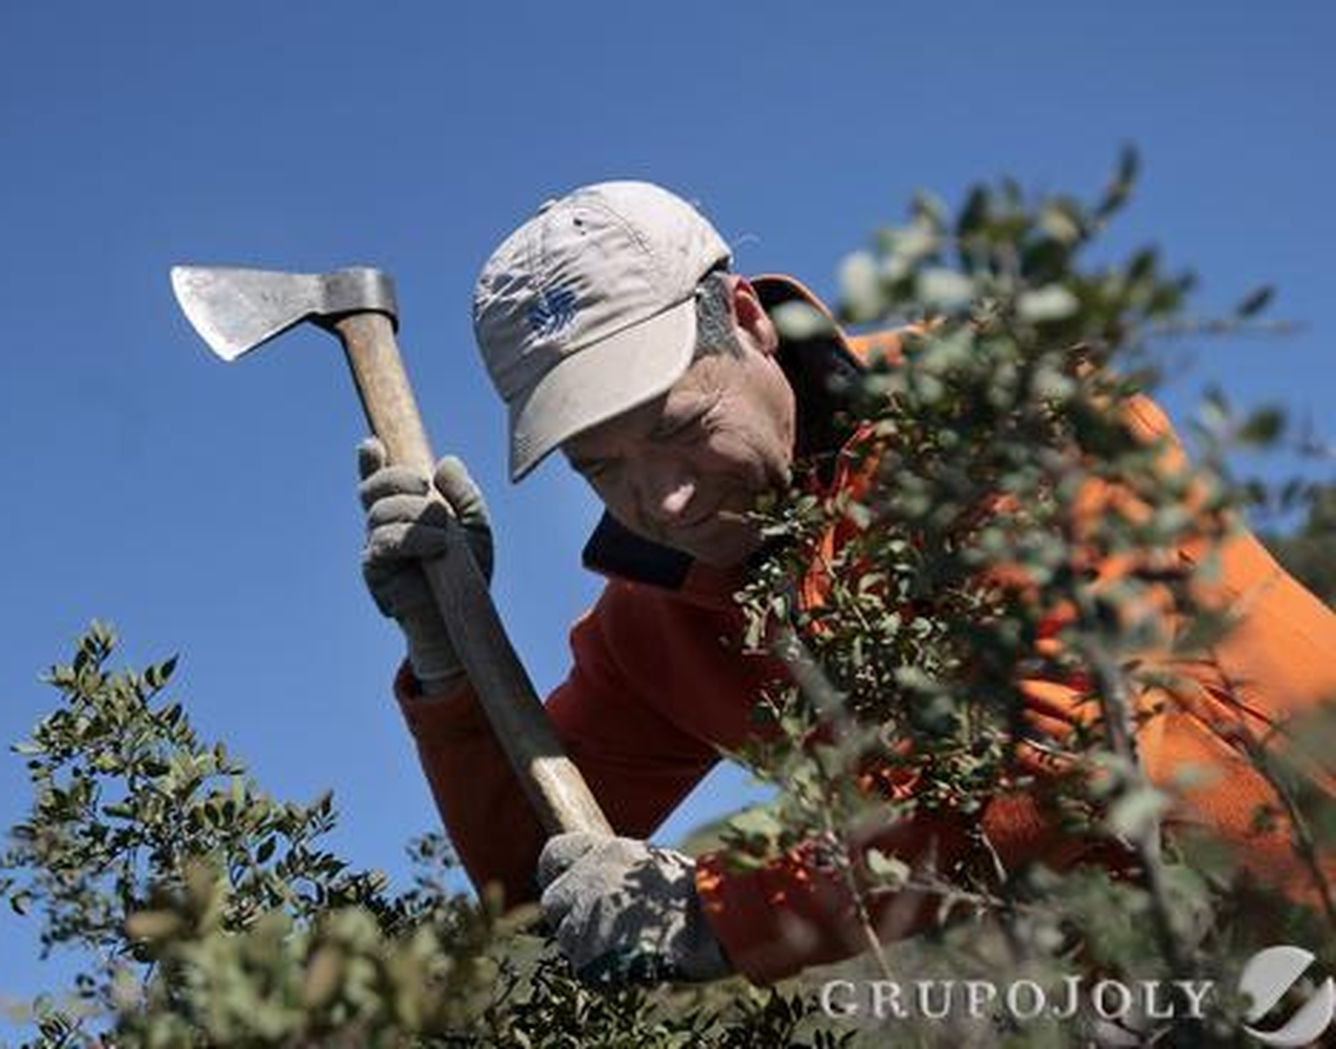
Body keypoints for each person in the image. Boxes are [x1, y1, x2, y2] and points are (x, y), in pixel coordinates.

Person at [357, 181, 1336, 987]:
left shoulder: (1003, 411)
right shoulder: (654, 624)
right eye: (598, 466)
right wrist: (448, 665)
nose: (665, 495)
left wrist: (721, 910)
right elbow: (533, 877)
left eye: (676, 423)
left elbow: (1068, 753)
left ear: (746, 320)